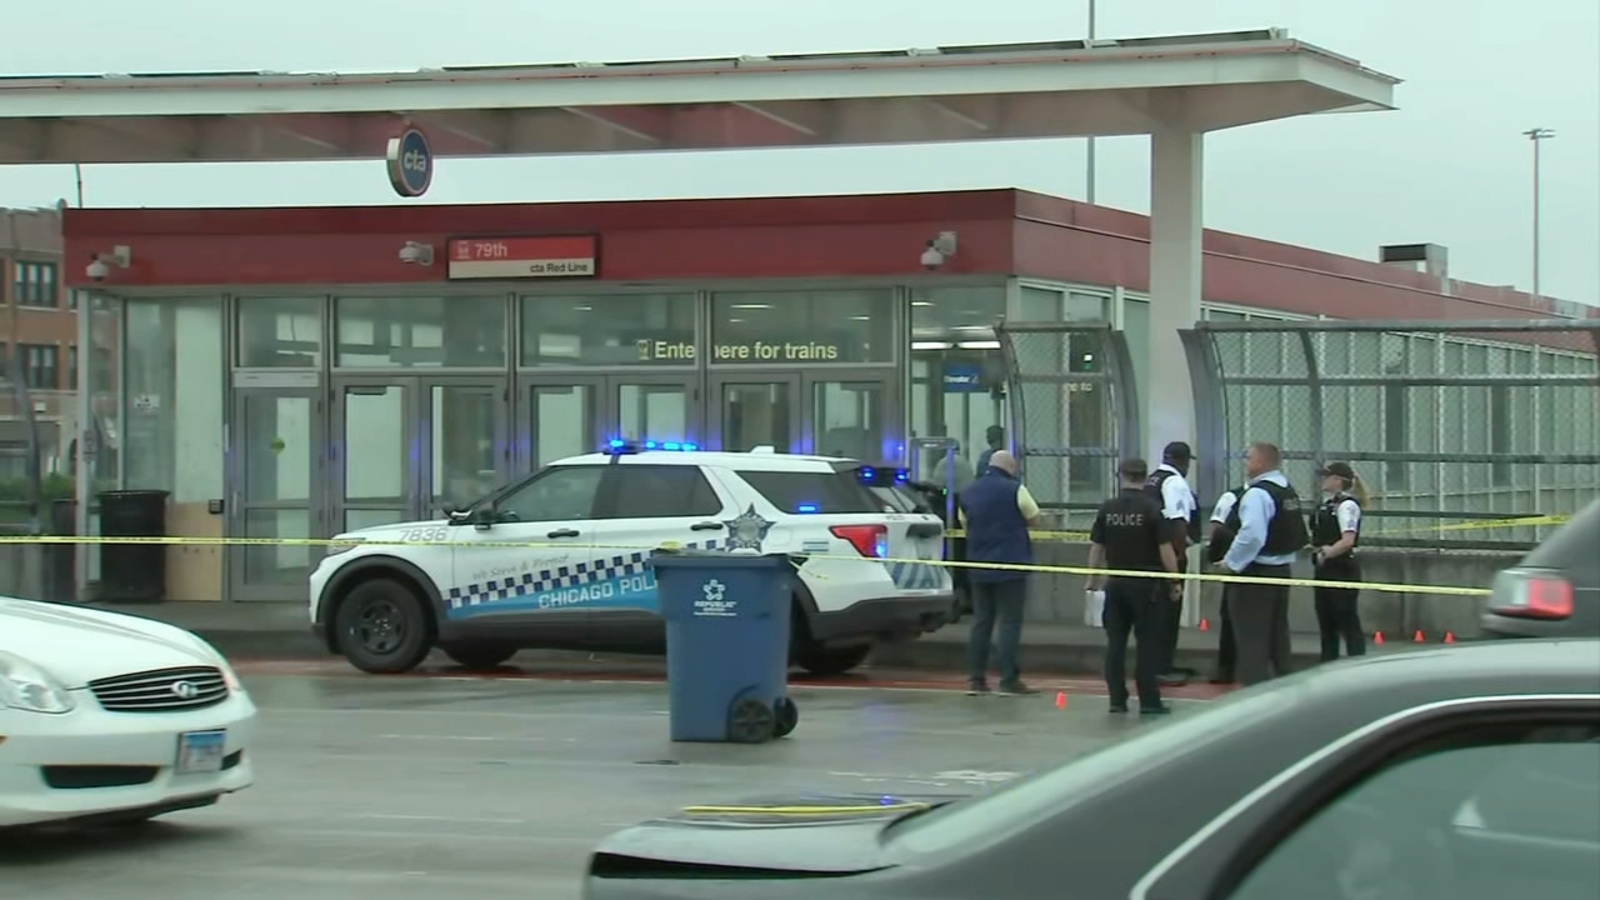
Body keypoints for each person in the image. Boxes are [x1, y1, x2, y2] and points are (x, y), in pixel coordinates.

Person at [1087, 458, 1180, 715]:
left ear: (1121, 476)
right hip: (1147, 584)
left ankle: (1117, 700)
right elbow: (1166, 550)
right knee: (1147, 644)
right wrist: (1174, 581)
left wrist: (1091, 578)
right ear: (1145, 477)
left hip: (1115, 583)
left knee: (1115, 643)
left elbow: (1097, 547)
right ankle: (1149, 701)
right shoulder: (1152, 508)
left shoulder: (1108, 508)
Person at [1211, 442, 1307, 686]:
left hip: (1255, 573)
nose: (1245, 462)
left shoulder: (1257, 493)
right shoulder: (1286, 489)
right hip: (1280, 570)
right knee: (1277, 633)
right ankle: (1284, 683)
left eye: (1249, 457)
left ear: (1261, 463)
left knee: (1251, 637)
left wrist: (1231, 563)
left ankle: (1255, 691)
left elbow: (1252, 535)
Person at [958, 450, 1041, 696]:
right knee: (1009, 623)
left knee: (981, 622)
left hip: (978, 565)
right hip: (1011, 565)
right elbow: (1034, 517)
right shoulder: (1015, 488)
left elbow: (965, 523)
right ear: (1010, 467)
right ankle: (1008, 679)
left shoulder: (968, 492)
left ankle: (976, 679)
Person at [1143, 441, 1200, 686]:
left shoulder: (1152, 480)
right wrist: (1180, 551)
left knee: (1158, 613)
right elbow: (1177, 520)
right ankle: (1161, 667)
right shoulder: (1175, 482)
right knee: (1168, 612)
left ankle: (1162, 663)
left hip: (1151, 553)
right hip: (1169, 556)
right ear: (1184, 461)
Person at [1310, 461, 1368, 662]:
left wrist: (1328, 552)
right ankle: (1328, 661)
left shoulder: (1347, 506)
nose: (1322, 480)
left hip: (1342, 568)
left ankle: (1357, 661)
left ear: (1337, 480)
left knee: (1346, 618)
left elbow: (1347, 540)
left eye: (1327, 476)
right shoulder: (1325, 505)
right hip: (1324, 568)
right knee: (1326, 620)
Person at [1204, 482, 1248, 684]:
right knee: (1229, 617)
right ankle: (1226, 667)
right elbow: (1217, 528)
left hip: (1261, 565)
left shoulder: (1273, 495)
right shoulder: (1232, 497)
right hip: (1235, 565)